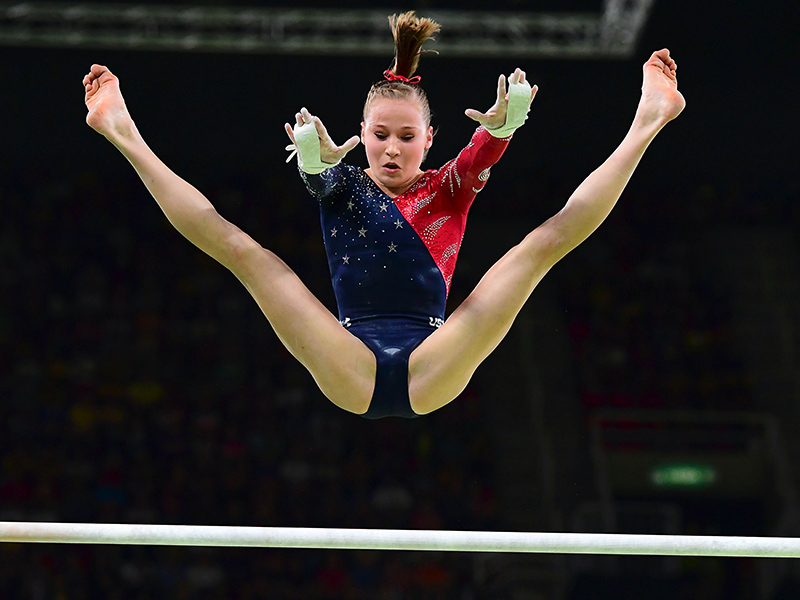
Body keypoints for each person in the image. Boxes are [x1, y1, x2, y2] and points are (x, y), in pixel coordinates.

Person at [83, 12, 684, 420]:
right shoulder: (339, 184)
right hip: (349, 361)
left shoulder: (452, 185)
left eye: (406, 137)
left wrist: (504, 123)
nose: (391, 148)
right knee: (243, 253)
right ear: (361, 134)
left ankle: (650, 119)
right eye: (379, 135)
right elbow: (316, 170)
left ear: (430, 139)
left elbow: (489, 145)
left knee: (540, 247)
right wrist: (315, 157)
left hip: (433, 362)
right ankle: (123, 132)